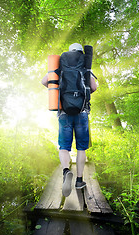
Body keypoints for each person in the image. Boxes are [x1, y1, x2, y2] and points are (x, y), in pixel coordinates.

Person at [41, 43, 97, 197]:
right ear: (80, 52)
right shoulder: (85, 66)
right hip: (82, 112)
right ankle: (79, 181)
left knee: (64, 147)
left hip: (64, 112)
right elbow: (94, 87)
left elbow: (44, 81)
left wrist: (58, 89)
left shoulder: (60, 65)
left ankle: (66, 172)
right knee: (81, 148)